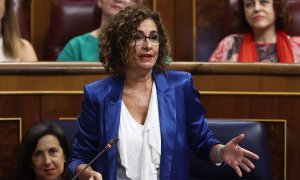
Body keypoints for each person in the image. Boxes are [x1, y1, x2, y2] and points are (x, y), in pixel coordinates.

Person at [69, 5, 259, 180]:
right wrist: (88, 174)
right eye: (137, 37)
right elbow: (79, 158)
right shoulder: (98, 95)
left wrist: (221, 152)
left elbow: (201, 141)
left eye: (153, 37)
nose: (148, 45)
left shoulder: (180, 86)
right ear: (119, 45)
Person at [209, 0, 300, 63]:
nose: (256, 9)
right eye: (249, 4)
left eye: (264, 2)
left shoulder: (297, 46)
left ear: (277, 7)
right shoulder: (229, 45)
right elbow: (209, 83)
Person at [57, 0, 142, 62]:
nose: (118, 0)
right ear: (100, 1)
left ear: (136, 5)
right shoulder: (76, 46)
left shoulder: (143, 45)